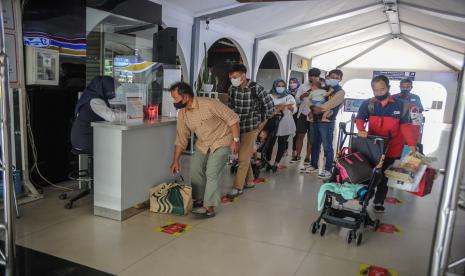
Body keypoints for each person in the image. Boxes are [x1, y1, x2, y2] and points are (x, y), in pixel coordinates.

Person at [169, 82, 240, 218]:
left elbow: (232, 118)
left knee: (211, 172)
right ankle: (199, 199)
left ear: (185, 97)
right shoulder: (182, 114)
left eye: (175, 98)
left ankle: (209, 207)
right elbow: (181, 138)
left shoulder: (209, 103)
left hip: (222, 139)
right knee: (195, 169)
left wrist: (236, 140)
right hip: (203, 143)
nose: (174, 101)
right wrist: (175, 160)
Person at [356, 75, 419, 213]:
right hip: (374, 147)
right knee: (371, 174)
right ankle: (365, 197)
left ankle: (379, 201)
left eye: (382, 89)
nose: (379, 93)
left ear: (389, 88)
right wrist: (361, 129)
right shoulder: (368, 104)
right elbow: (360, 118)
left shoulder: (401, 105)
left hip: (393, 147)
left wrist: (412, 145)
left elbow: (406, 127)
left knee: (385, 176)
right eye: (376, 90)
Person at [227, 64, 275, 198]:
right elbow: (230, 108)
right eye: (231, 77)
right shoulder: (232, 88)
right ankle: (249, 181)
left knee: (242, 157)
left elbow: (270, 108)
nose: (232, 79)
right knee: (244, 155)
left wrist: (262, 124)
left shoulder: (256, 88)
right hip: (237, 127)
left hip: (251, 127)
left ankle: (238, 187)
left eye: (235, 76)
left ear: (243, 76)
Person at [71, 76, 126, 154]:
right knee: (116, 146)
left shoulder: (91, 96)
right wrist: (131, 116)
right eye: (113, 89)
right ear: (105, 88)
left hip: (81, 138)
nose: (114, 92)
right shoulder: (95, 100)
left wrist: (123, 113)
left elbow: (109, 111)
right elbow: (112, 117)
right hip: (84, 141)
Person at [308, 69, 345, 179]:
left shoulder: (340, 91)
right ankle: (313, 164)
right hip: (315, 119)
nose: (333, 79)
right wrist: (312, 107)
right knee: (314, 143)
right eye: (332, 77)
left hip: (327, 122)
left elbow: (330, 104)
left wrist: (318, 108)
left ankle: (328, 169)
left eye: (336, 78)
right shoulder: (322, 88)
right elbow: (310, 98)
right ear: (328, 76)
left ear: (340, 80)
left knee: (327, 146)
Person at [264, 79, 297, 172]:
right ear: (275, 86)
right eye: (279, 85)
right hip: (272, 122)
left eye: (283, 86)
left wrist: (291, 108)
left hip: (286, 122)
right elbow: (267, 108)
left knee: (282, 143)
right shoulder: (269, 96)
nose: (281, 87)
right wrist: (279, 107)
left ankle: (276, 163)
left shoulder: (289, 97)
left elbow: (294, 109)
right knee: (270, 143)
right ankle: (268, 161)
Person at [293, 68, 321, 166]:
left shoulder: (321, 87)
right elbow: (296, 100)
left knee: (311, 138)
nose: (312, 77)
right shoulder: (303, 86)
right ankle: (297, 155)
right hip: (303, 115)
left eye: (315, 76)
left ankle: (307, 157)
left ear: (318, 77)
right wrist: (301, 97)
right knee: (300, 135)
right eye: (311, 75)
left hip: (314, 116)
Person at [288, 77, 301, 158]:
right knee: (286, 132)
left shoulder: (299, 92)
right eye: (290, 82)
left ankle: (294, 150)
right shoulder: (287, 92)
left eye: (294, 82)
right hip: (288, 114)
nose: (292, 84)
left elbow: (300, 103)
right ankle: (285, 150)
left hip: (296, 115)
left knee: (295, 133)